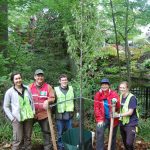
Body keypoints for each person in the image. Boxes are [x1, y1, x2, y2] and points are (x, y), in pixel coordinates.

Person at [3, 72, 35, 150]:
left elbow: (32, 101)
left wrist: (33, 111)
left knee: (28, 138)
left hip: (29, 117)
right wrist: (12, 118)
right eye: (16, 79)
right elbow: (6, 107)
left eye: (19, 78)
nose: (18, 80)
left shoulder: (27, 88)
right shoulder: (9, 92)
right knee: (18, 139)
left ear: (21, 78)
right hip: (17, 118)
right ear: (13, 80)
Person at [29, 69, 55, 150]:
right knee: (27, 132)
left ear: (43, 77)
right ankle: (27, 147)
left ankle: (47, 147)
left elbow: (52, 97)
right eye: (38, 76)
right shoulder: (29, 87)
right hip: (31, 114)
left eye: (41, 76)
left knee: (46, 132)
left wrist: (48, 100)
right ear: (35, 77)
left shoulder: (48, 87)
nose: (40, 77)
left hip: (44, 114)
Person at [94, 78, 120, 150]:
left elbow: (118, 107)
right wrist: (99, 119)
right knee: (99, 131)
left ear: (109, 85)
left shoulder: (113, 94)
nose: (104, 86)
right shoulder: (98, 95)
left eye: (105, 84)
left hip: (113, 119)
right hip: (103, 118)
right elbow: (96, 107)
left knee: (112, 136)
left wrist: (116, 103)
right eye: (102, 85)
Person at [113, 81, 139, 150]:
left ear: (127, 88)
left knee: (129, 143)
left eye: (123, 88)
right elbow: (118, 107)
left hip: (131, 123)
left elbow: (130, 112)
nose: (121, 89)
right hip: (122, 123)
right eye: (120, 87)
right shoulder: (120, 96)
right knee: (125, 143)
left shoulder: (132, 98)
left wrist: (118, 115)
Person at [54, 74, 75, 150]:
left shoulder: (71, 89)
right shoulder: (55, 90)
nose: (64, 81)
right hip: (59, 116)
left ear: (67, 81)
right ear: (59, 81)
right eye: (63, 80)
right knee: (60, 134)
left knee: (69, 134)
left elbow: (75, 100)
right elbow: (53, 102)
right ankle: (60, 148)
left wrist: (77, 111)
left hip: (69, 115)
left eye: (65, 80)